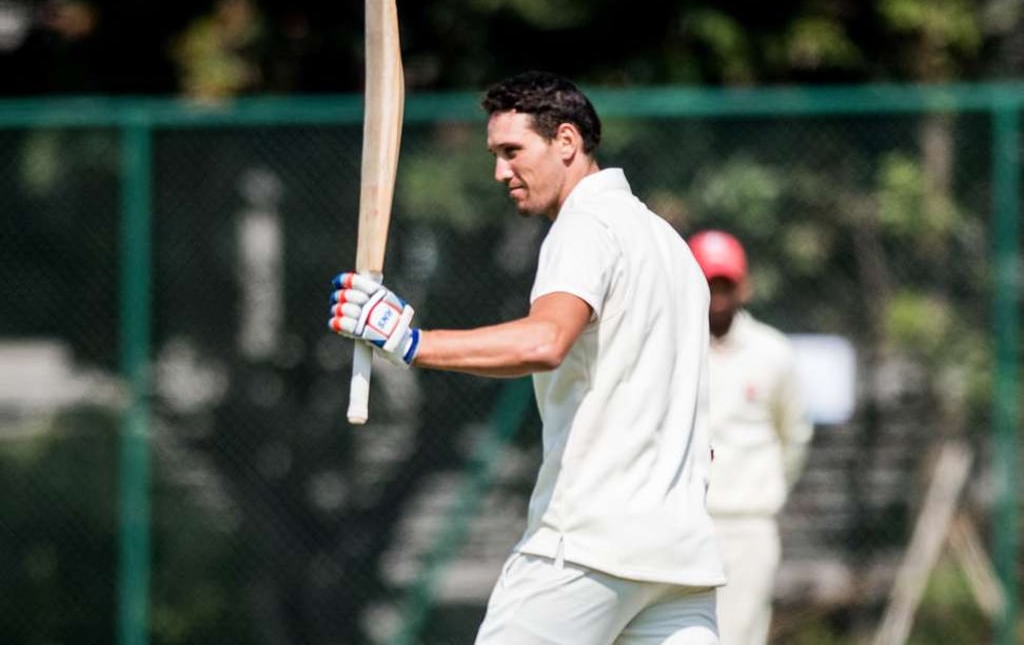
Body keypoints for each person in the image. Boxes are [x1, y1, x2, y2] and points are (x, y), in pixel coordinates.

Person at [329, 71, 725, 644]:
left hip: (590, 544)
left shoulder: (585, 226)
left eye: (513, 152)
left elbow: (544, 342)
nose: (499, 172)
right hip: (680, 559)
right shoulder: (668, 244)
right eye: (494, 154)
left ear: (566, 142)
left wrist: (409, 341)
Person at [686, 230, 814, 645]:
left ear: (743, 285)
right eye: (709, 285)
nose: (718, 297)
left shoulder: (771, 352)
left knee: (740, 635)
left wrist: (766, 492)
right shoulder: (672, 349)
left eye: (725, 285)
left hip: (748, 525)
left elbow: (793, 434)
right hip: (682, 522)